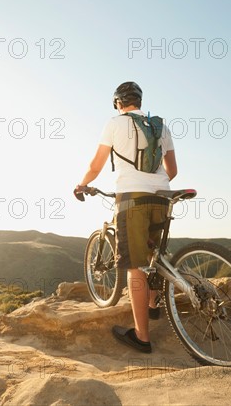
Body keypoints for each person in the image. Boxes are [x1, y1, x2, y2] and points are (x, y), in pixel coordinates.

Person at [74, 81, 177, 353]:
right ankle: (153, 306)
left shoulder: (114, 123)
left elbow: (96, 165)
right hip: (162, 196)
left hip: (132, 199)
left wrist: (81, 184)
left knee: (135, 267)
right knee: (154, 256)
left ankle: (142, 337)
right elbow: (173, 170)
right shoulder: (161, 127)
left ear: (118, 103)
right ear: (140, 102)